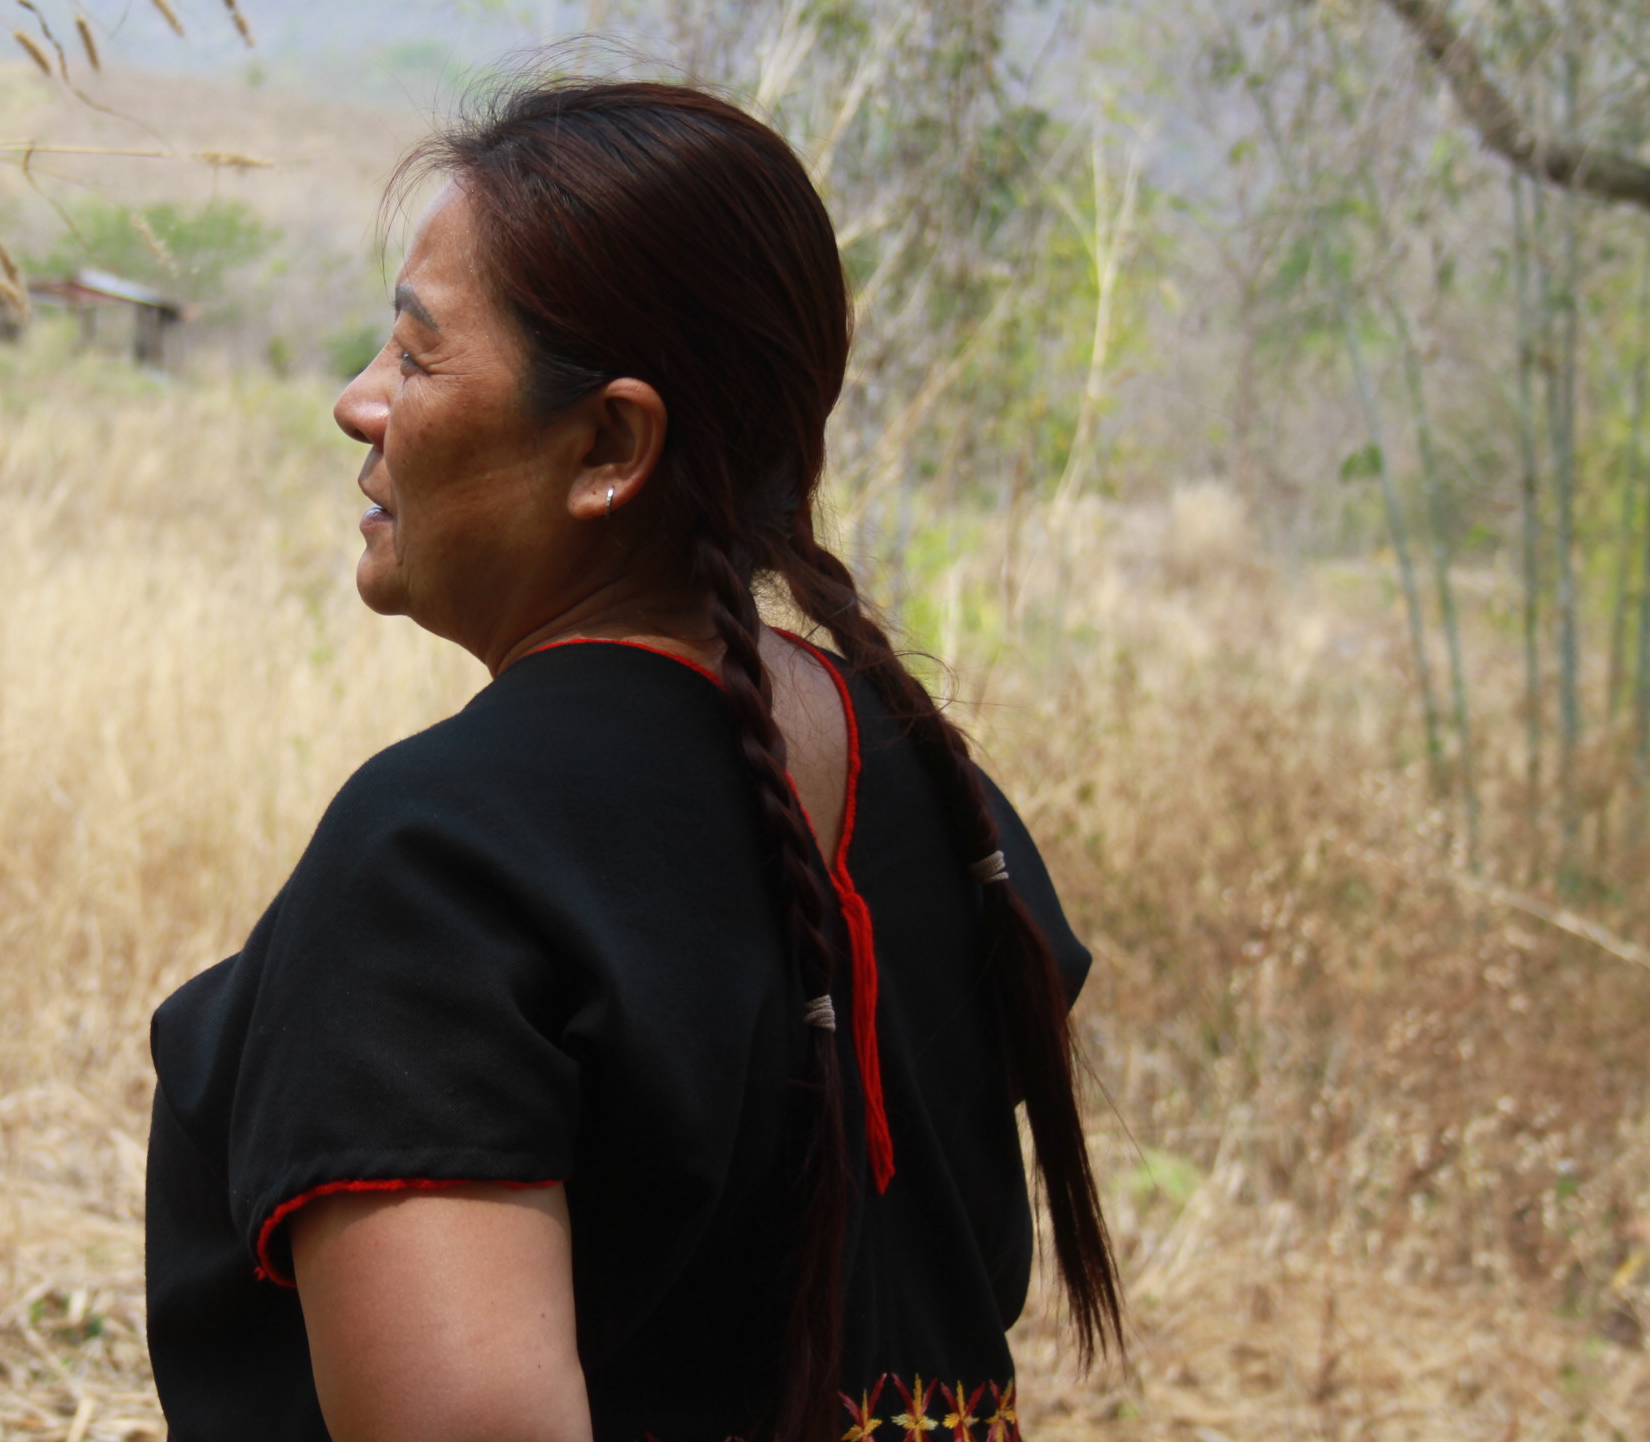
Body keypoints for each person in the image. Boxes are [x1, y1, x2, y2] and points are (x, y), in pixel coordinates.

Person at [145, 77, 1120, 1442]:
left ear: (608, 445)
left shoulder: (438, 861)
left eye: (419, 359)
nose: (359, 406)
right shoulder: (935, 791)